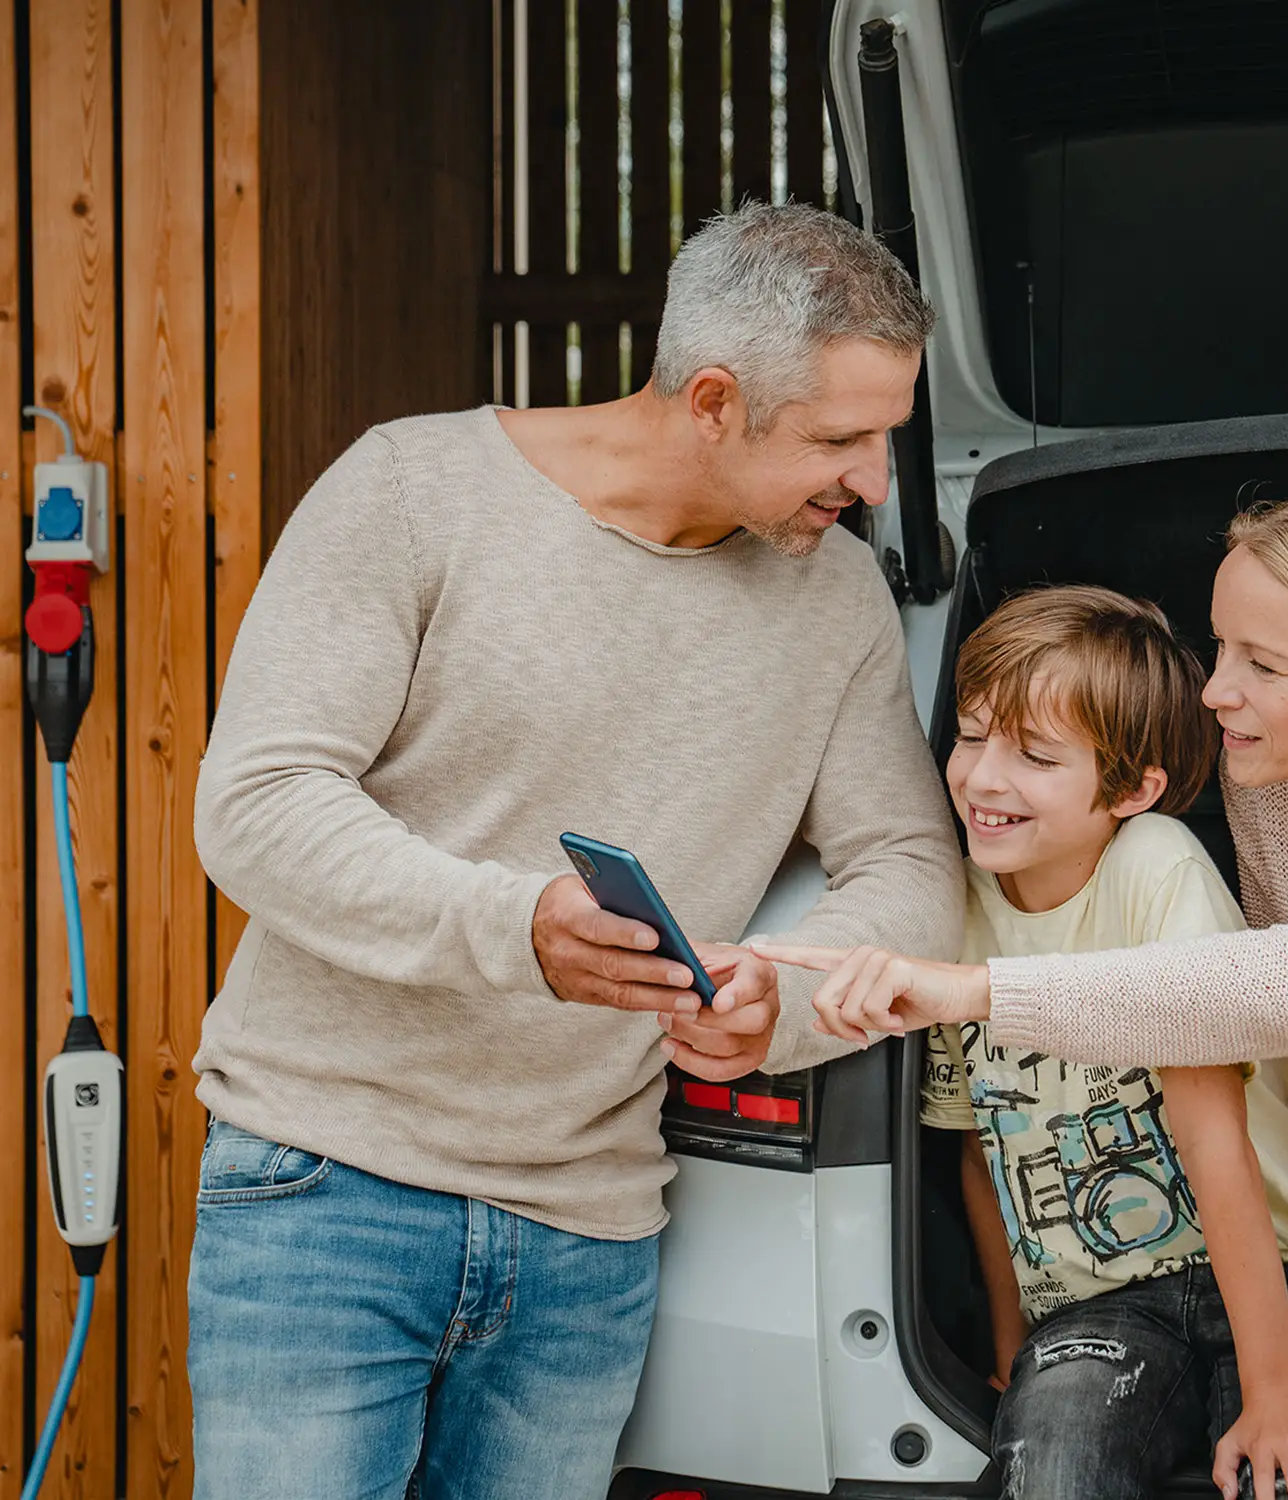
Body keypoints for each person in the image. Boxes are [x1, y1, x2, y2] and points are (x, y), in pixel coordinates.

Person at [187, 201, 965, 1500]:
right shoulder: (410, 490)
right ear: (712, 399)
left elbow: (912, 874)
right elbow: (258, 805)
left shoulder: (833, 600)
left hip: (588, 1241)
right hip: (328, 1185)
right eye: (842, 438)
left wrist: (787, 995)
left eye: (885, 434)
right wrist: (518, 928)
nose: (875, 483)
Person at [754, 484, 1288, 1499]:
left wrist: (972, 990)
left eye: (1262, 666)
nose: (1213, 693)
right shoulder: (1273, 786)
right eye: (1221, 648)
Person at [914, 584, 1288, 1500]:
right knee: (1045, 1471)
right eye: (971, 735)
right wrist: (1014, 1352)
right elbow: (981, 1149)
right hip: (1096, 1309)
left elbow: (1214, 1141)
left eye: (1036, 755)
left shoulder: (1155, 864)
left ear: (1133, 790)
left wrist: (1277, 1390)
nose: (981, 777)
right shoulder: (953, 907)